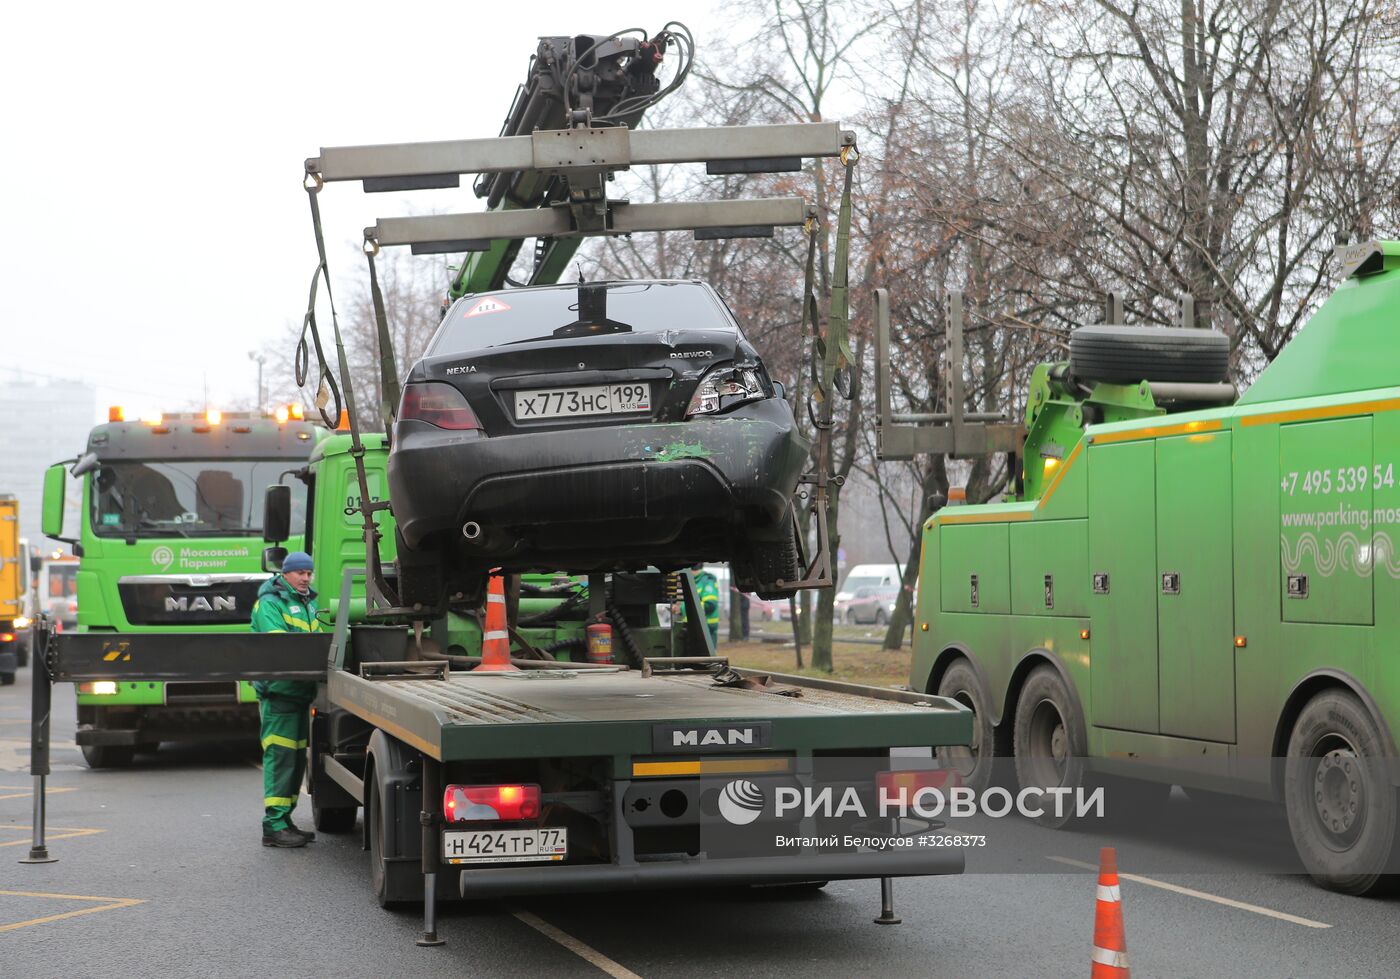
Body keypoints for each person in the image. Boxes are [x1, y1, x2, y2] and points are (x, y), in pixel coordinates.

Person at [251, 551, 321, 848]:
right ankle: (273, 825)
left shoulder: (308, 603)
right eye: (300, 573)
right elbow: (281, 647)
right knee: (281, 759)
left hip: (299, 695)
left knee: (294, 761)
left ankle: (285, 821)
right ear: (285, 574)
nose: (305, 578)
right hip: (280, 695)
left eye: (309, 573)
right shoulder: (269, 603)